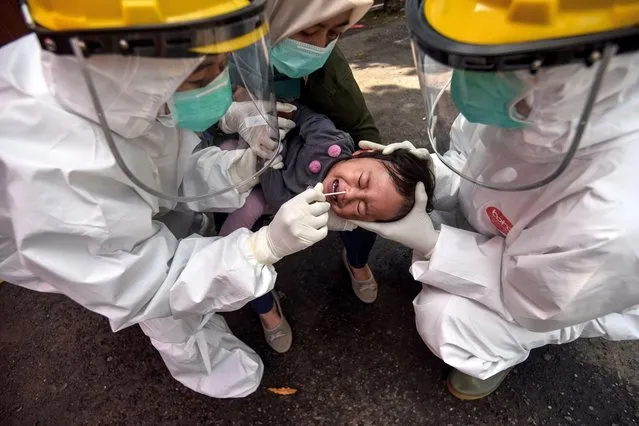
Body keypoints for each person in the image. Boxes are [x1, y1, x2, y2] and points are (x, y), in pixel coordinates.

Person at [0, 0, 332, 398]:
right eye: (205, 72)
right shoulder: (57, 170)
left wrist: (235, 169)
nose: (218, 79)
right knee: (168, 315)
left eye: (224, 62)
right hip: (105, 257)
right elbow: (142, 281)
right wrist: (262, 247)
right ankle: (206, 366)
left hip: (122, 220)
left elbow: (162, 167)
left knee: (189, 268)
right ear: (131, 62)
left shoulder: (119, 80)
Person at [353, 0, 639, 400]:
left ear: (584, 69)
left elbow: (532, 300)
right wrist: (423, 175)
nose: (467, 79)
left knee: (447, 318)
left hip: (573, 291)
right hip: (515, 239)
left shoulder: (615, 214)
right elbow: (474, 167)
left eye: (496, 59)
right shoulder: (534, 103)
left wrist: (434, 244)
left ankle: (491, 355)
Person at [216, 0, 379, 353]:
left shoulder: (327, 65)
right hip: (242, 166)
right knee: (237, 243)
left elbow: (362, 127)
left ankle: (357, 262)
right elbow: (183, 139)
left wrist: (381, 166)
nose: (318, 45)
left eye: (334, 32)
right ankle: (265, 307)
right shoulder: (210, 56)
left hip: (307, 161)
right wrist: (229, 116)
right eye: (307, 30)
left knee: (370, 213)